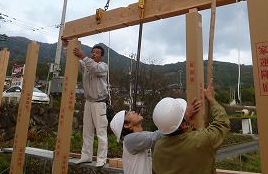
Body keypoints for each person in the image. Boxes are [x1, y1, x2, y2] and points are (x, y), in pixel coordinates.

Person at [152, 79, 230, 174]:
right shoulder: (200, 141)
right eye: (184, 113)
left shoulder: (158, 147)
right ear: (184, 125)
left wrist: (184, 117)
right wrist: (212, 99)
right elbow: (222, 123)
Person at [110, 99, 201, 174]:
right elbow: (158, 136)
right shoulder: (129, 140)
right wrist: (181, 117)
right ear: (127, 125)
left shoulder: (141, 137)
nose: (133, 111)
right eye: (129, 114)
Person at [62, 40, 109, 168]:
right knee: (87, 131)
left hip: (99, 103)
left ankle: (101, 158)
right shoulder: (85, 66)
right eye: (93, 52)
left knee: (101, 132)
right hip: (88, 102)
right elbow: (73, 60)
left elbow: (95, 68)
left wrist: (83, 55)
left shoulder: (103, 66)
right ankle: (86, 156)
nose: (94, 54)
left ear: (101, 56)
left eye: (97, 53)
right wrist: (67, 46)